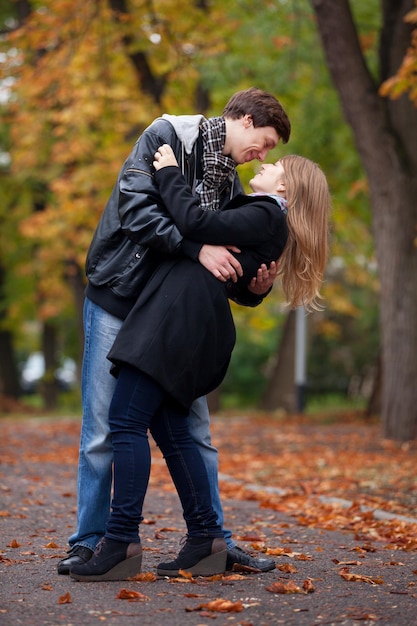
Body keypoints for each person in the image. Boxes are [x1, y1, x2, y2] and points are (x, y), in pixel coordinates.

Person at [58, 87, 291, 576]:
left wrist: (254, 290)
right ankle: (91, 541)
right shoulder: (166, 137)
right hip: (119, 297)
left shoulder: (232, 188)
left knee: (193, 431)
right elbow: (137, 212)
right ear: (245, 119)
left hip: (167, 320)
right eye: (266, 142)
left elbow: (224, 266)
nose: (263, 155)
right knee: (103, 428)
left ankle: (214, 540)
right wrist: (196, 249)